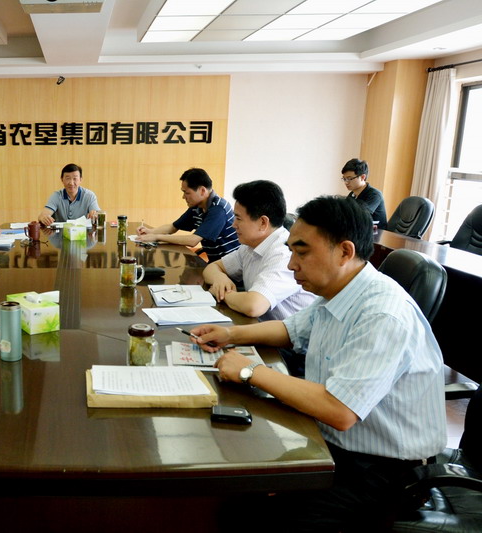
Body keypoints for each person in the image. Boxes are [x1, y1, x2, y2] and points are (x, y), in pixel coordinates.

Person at [190, 196, 445, 531]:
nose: (291, 264)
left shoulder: (383, 314)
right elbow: (290, 329)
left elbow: (339, 410)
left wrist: (251, 371)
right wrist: (230, 334)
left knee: (252, 514)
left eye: (302, 252)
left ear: (344, 251)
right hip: (341, 447)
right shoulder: (340, 291)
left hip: (387, 472)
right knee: (238, 491)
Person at [203, 180, 315, 321]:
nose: (233, 225)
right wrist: (220, 279)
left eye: (238, 218)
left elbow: (253, 306)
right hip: (261, 326)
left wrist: (223, 294)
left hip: (288, 334)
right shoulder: (250, 246)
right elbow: (212, 267)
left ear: (263, 222)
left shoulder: (284, 254)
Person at [136, 167, 239, 262]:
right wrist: (150, 231)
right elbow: (173, 227)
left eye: (187, 193)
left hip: (232, 266)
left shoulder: (218, 209)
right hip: (217, 263)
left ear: (202, 191)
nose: (183, 197)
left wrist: (157, 237)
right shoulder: (197, 206)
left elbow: (192, 241)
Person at [342, 158, 387, 230]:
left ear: (363, 177)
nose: (346, 182)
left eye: (349, 178)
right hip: (359, 230)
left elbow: (360, 216)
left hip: (377, 233)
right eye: (344, 179)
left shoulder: (375, 195)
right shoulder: (352, 194)